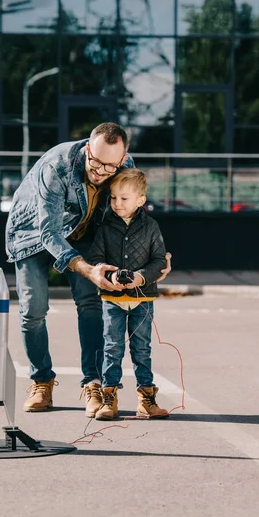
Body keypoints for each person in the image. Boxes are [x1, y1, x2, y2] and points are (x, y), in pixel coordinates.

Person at [5, 123, 171, 414]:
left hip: (83, 235)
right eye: (94, 161)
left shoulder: (124, 167)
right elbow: (50, 234)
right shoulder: (57, 166)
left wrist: (154, 259)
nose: (100, 171)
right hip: (34, 234)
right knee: (33, 309)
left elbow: (131, 214)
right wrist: (88, 269)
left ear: (122, 159)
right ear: (87, 149)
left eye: (110, 165)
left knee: (91, 303)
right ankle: (41, 380)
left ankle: (92, 383)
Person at [89, 168, 169, 420]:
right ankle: (108, 399)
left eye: (124, 199)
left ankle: (146, 399)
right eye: (113, 198)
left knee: (142, 349)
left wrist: (141, 276)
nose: (117, 203)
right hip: (112, 299)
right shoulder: (104, 227)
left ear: (140, 200)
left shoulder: (151, 227)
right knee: (112, 348)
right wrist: (111, 276)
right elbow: (96, 259)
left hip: (142, 299)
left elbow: (159, 260)